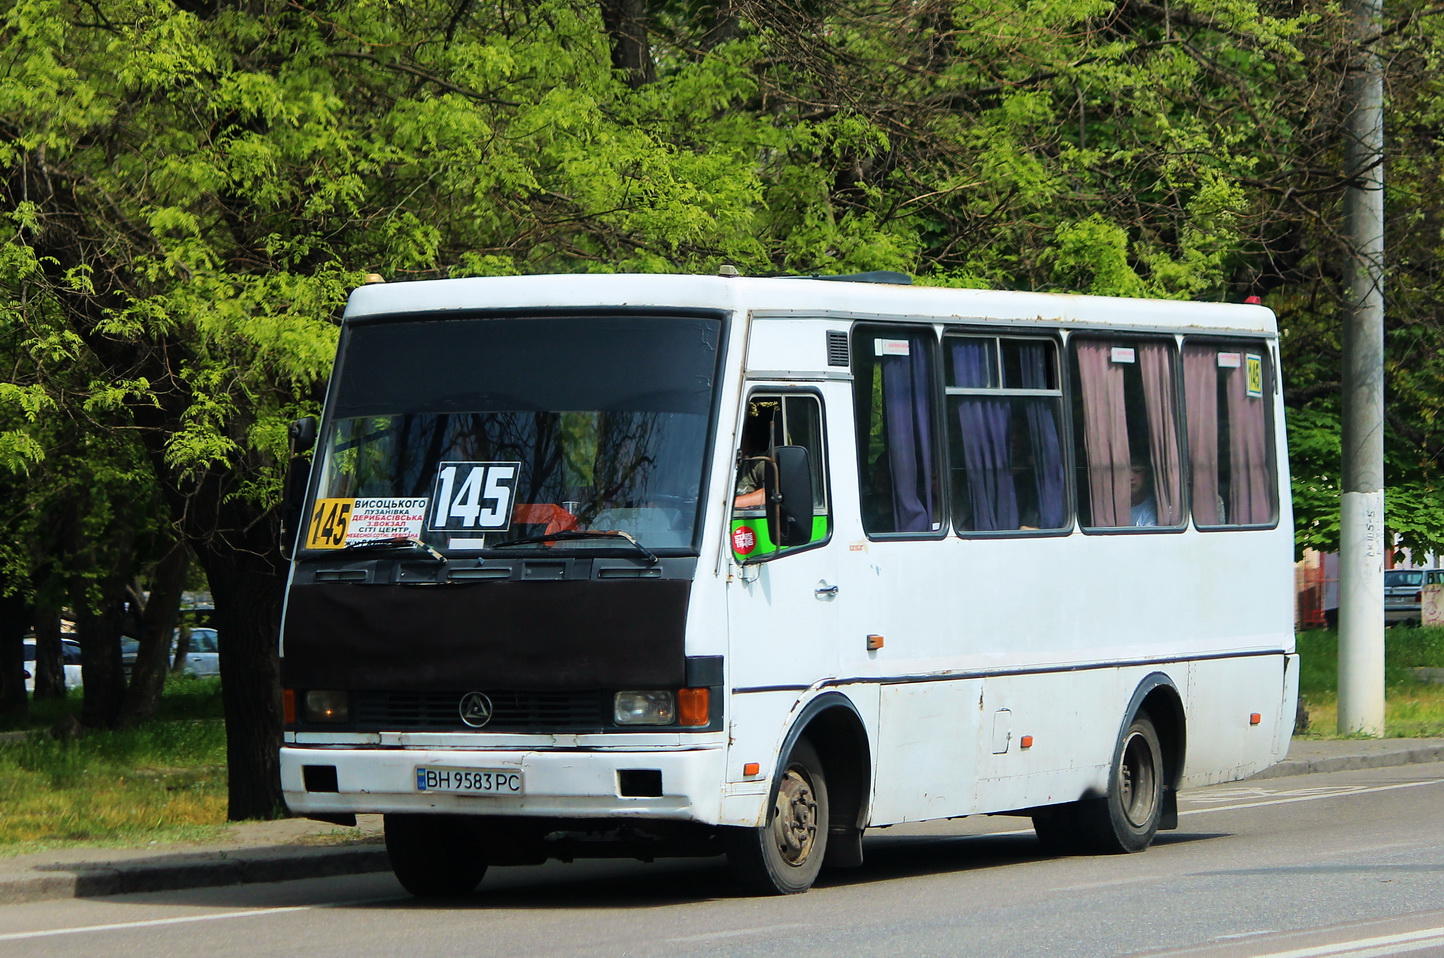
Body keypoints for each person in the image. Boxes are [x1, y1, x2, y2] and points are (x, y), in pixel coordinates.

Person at [1130, 455, 1157, 527]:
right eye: (1124, 472)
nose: (1130, 477)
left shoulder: (1152, 509)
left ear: (1147, 475)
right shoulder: (1111, 507)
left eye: (1137, 471)